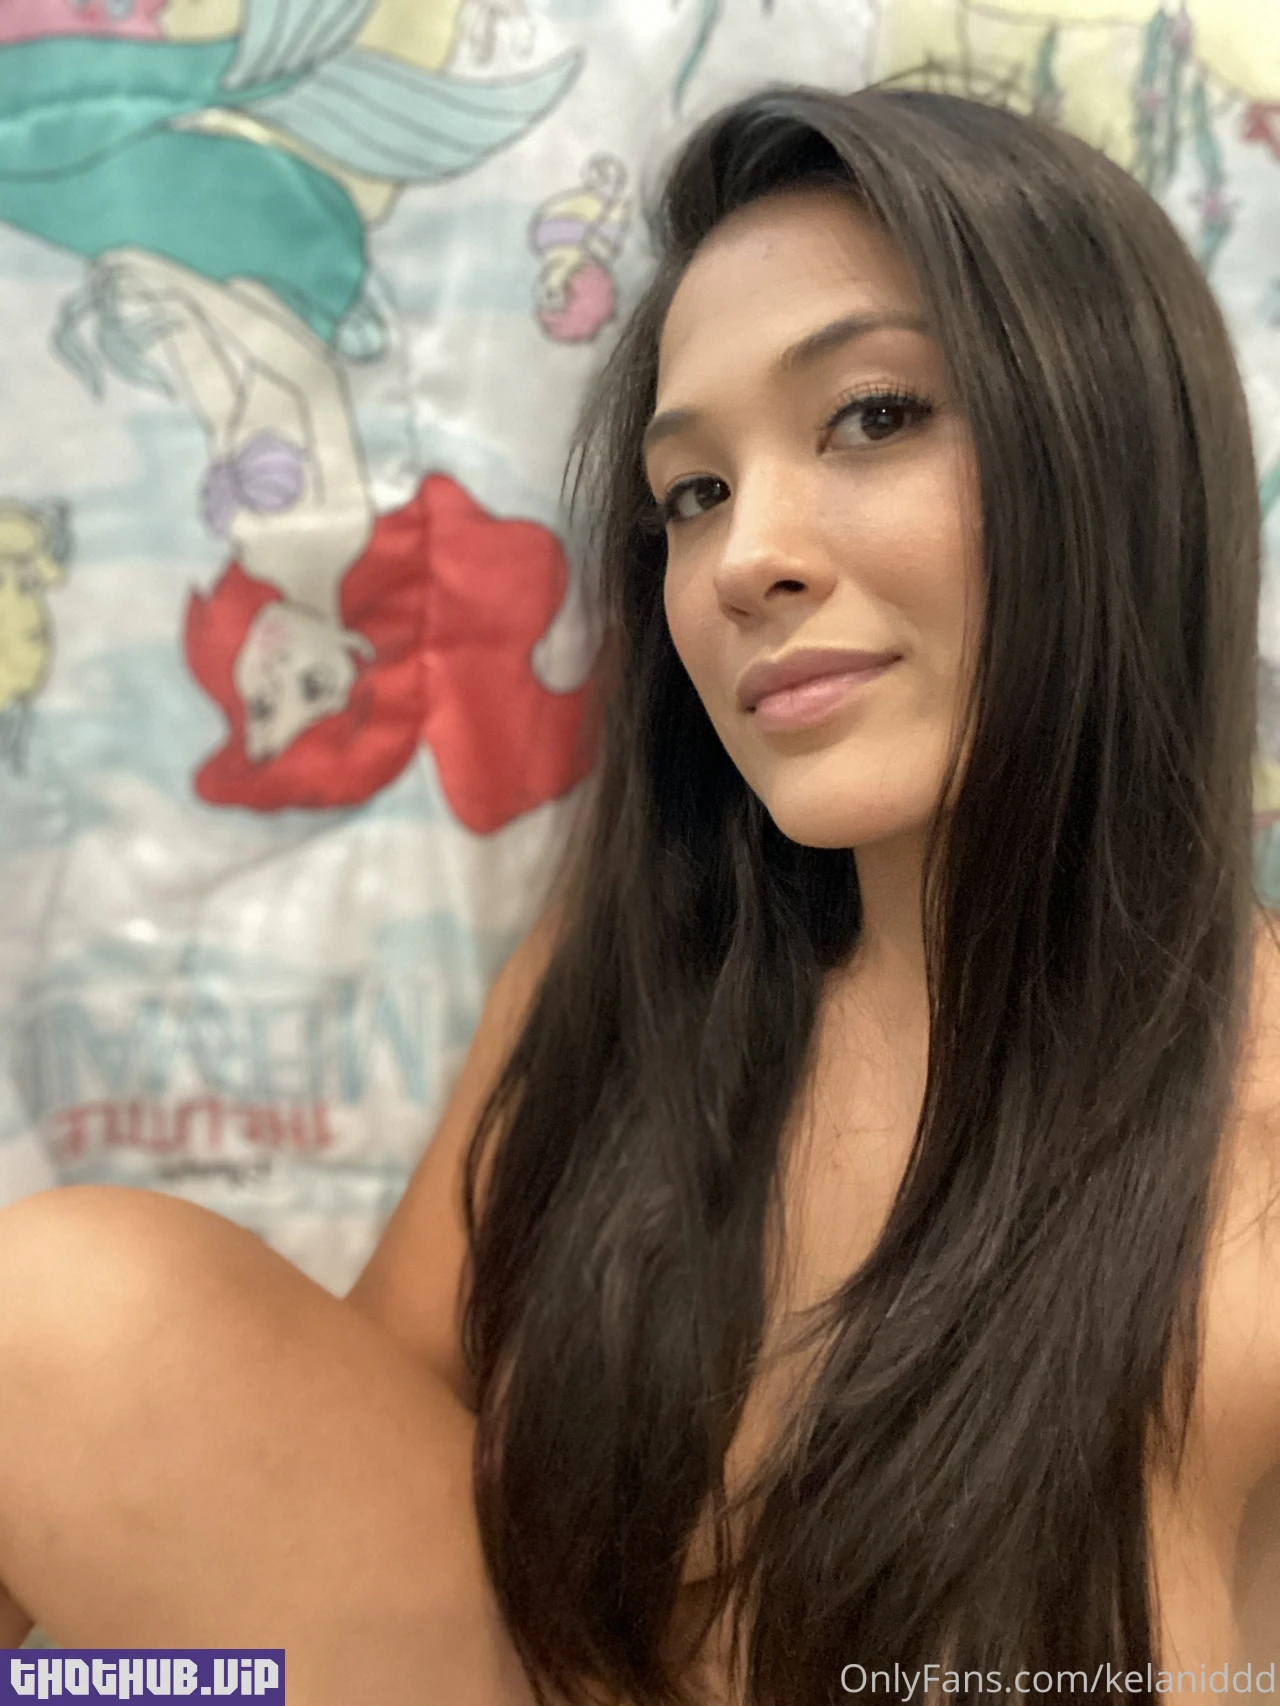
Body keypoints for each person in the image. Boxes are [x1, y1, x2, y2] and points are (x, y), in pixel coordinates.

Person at [0, 81, 1276, 1706]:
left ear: (1118, 447)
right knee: (67, 1316)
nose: (745, 558)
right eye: (694, 492)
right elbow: (346, 1449)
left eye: (873, 414)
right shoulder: (625, 987)